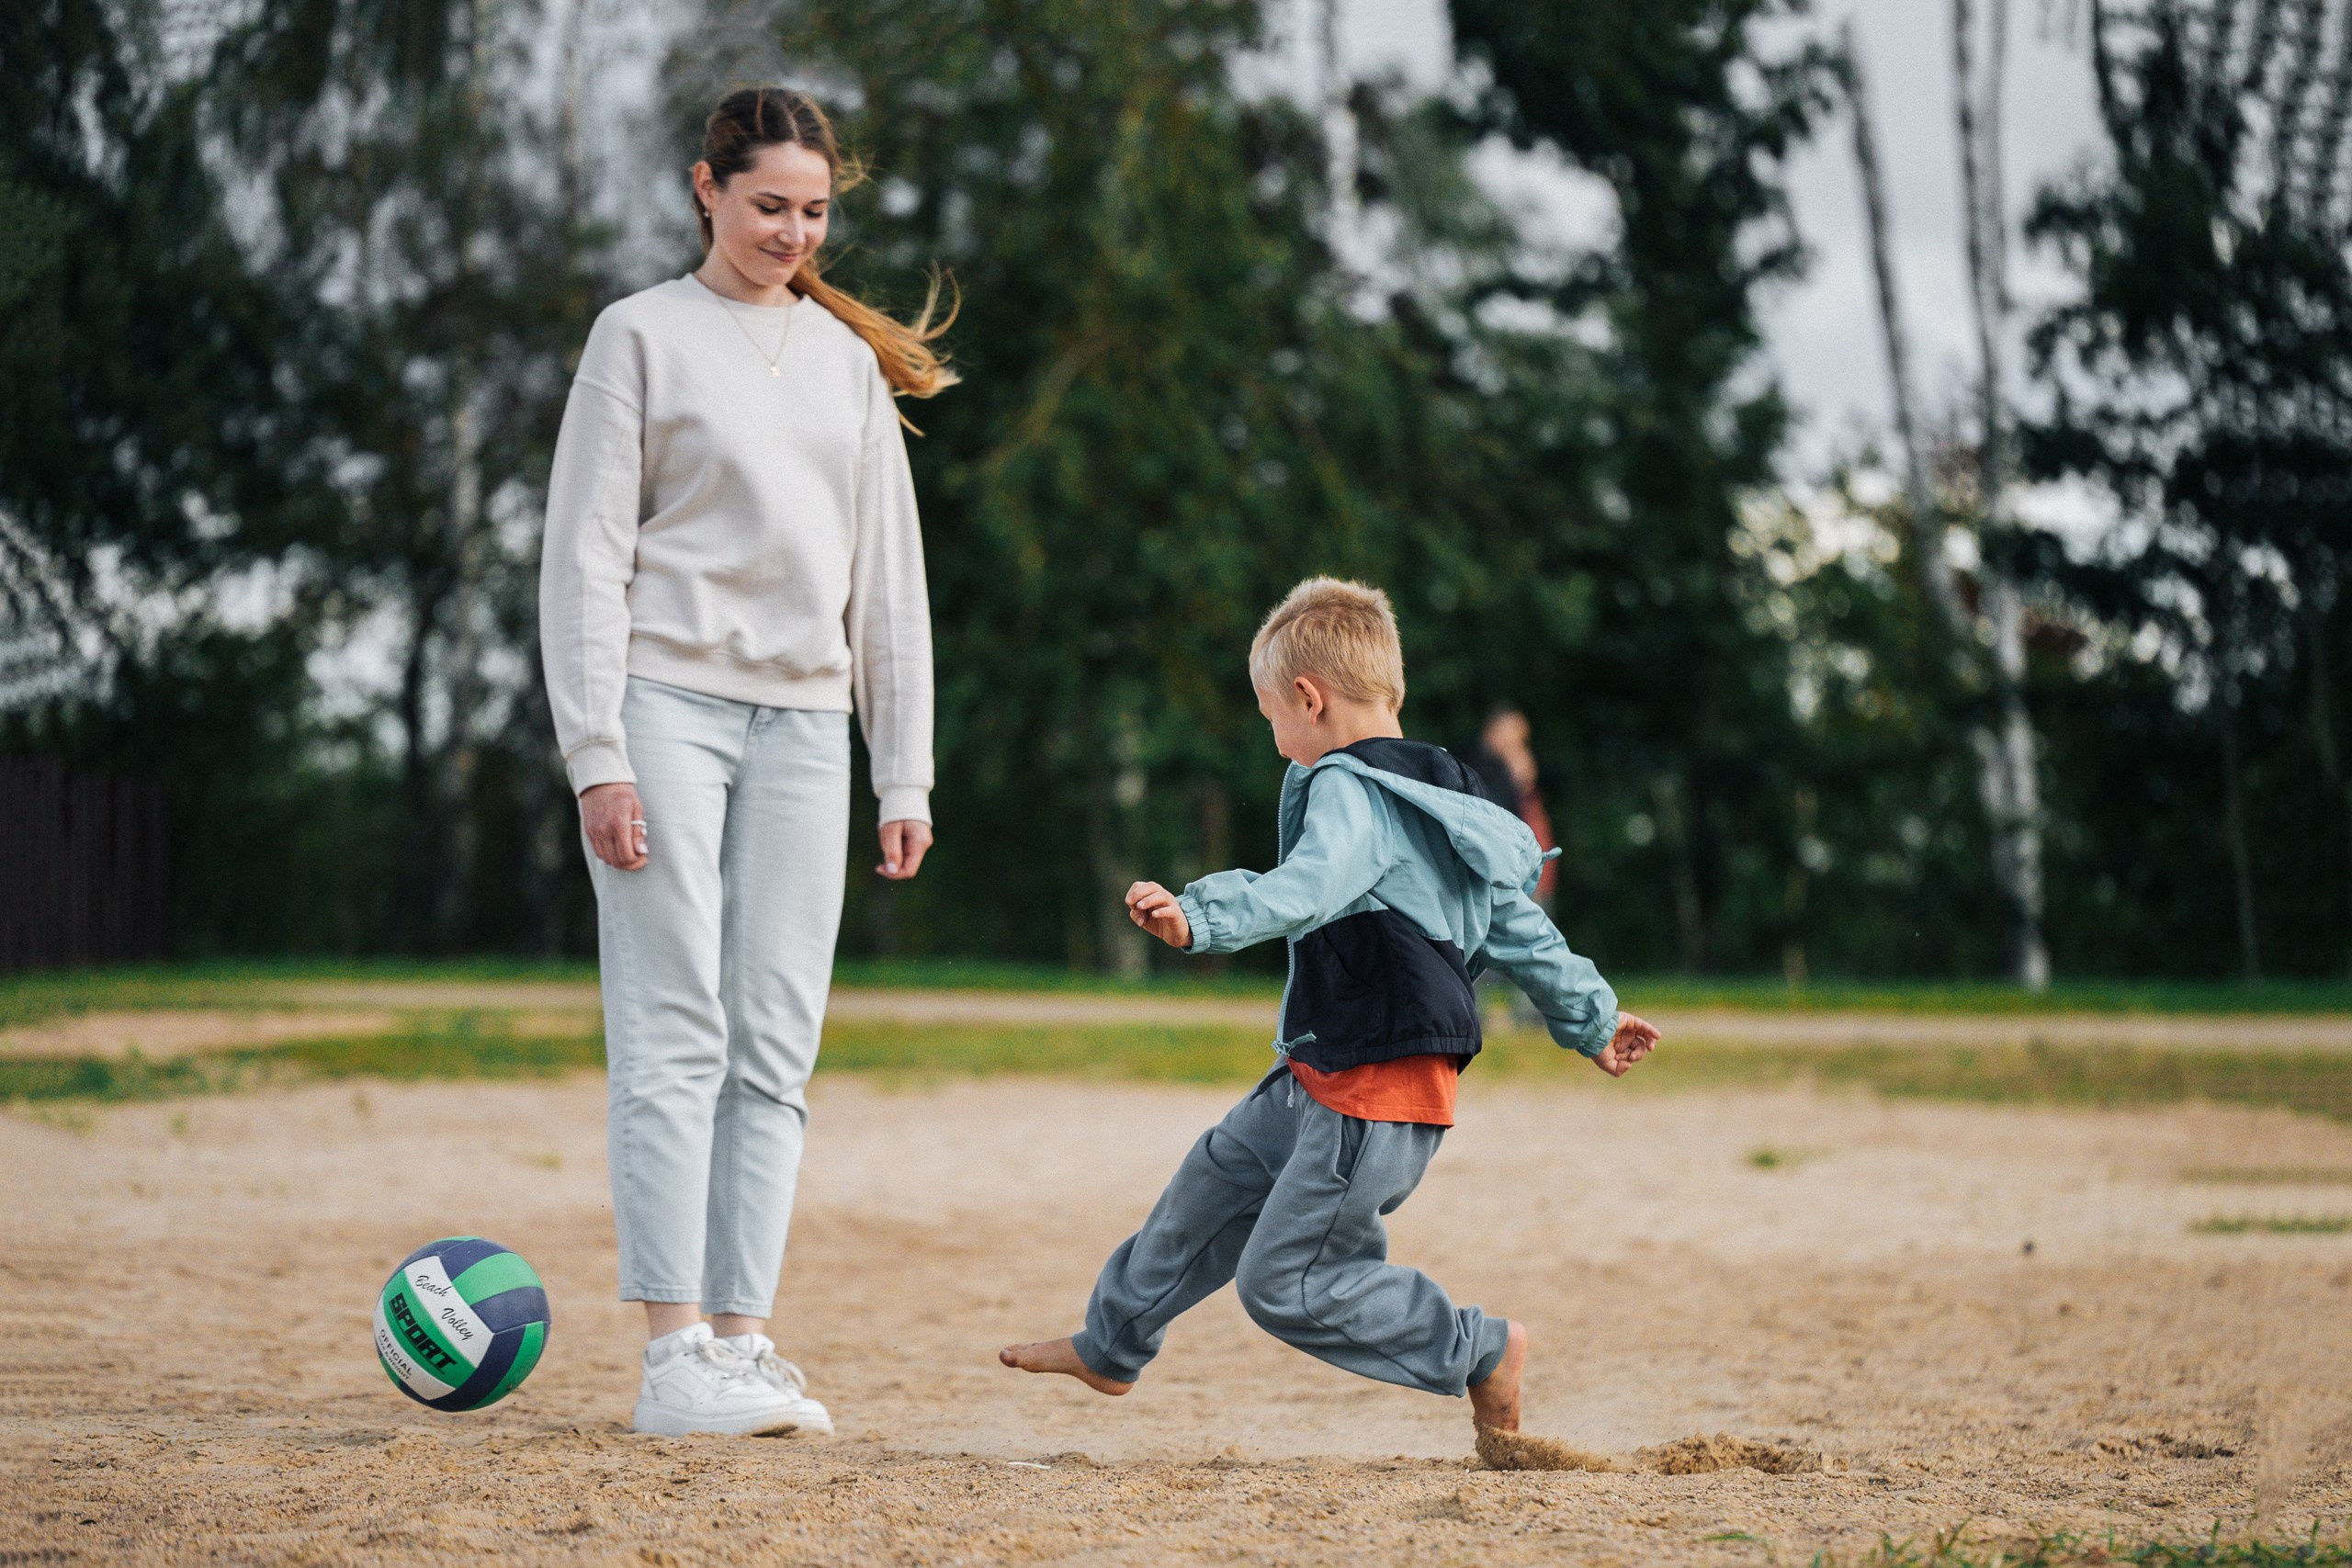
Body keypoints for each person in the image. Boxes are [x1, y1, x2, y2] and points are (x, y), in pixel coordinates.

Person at [999, 579, 1659, 1443]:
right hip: (1325, 1067)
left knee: (1287, 1282)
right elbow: (1523, 926)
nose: (1275, 735)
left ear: (1309, 699)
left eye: (1271, 713)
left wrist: (1199, 914)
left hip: (1373, 1088)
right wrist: (1595, 1017)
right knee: (1215, 1181)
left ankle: (1480, 1350)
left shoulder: (1349, 788)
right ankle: (1112, 1343)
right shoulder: (1448, 796)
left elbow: (1305, 889)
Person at [538, 86, 953, 1437]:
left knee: (775, 1039)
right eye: (769, 203)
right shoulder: (639, 337)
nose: (792, 231)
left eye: (815, 210)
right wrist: (596, 751)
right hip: (664, 704)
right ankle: (673, 1357)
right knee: (675, 1025)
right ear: (704, 188)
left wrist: (905, 768)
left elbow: (888, 580)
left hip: (805, 727)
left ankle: (745, 1335)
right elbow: (585, 560)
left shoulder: (842, 361)